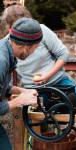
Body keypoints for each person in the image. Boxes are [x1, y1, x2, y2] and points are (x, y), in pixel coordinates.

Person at [2, 4, 76, 108]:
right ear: (10, 27)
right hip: (33, 90)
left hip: (59, 82)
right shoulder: (8, 46)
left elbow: (63, 54)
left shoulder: (39, 31)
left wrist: (47, 76)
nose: (23, 28)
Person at [0, 17, 43, 150]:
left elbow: (1, 86)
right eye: (34, 49)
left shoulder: (5, 49)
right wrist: (18, 101)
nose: (33, 53)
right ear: (26, 46)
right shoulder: (1, 61)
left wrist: (21, 91)